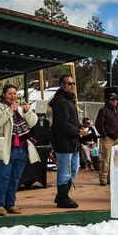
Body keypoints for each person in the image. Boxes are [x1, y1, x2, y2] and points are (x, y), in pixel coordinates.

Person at [0, 84, 39, 216]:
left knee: (15, 178)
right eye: (10, 93)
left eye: (15, 93)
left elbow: (32, 123)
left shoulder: (20, 109)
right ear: (3, 95)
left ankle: (10, 204)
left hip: (21, 149)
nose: (13, 96)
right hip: (3, 149)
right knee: (3, 178)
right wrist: (9, 111)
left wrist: (27, 111)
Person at [49, 75, 87, 208]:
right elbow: (62, 124)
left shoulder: (69, 100)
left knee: (75, 168)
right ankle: (63, 197)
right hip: (64, 142)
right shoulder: (61, 102)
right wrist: (78, 131)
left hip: (73, 142)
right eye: (69, 83)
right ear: (62, 85)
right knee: (65, 171)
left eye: (74, 83)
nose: (72, 86)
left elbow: (70, 121)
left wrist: (79, 128)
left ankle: (62, 196)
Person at [95, 92, 118, 186]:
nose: (115, 101)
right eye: (112, 99)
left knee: (115, 159)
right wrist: (104, 135)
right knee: (105, 159)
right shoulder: (103, 110)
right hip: (108, 138)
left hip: (117, 138)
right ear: (108, 100)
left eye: (116, 99)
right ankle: (103, 178)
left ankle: (111, 178)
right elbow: (98, 124)